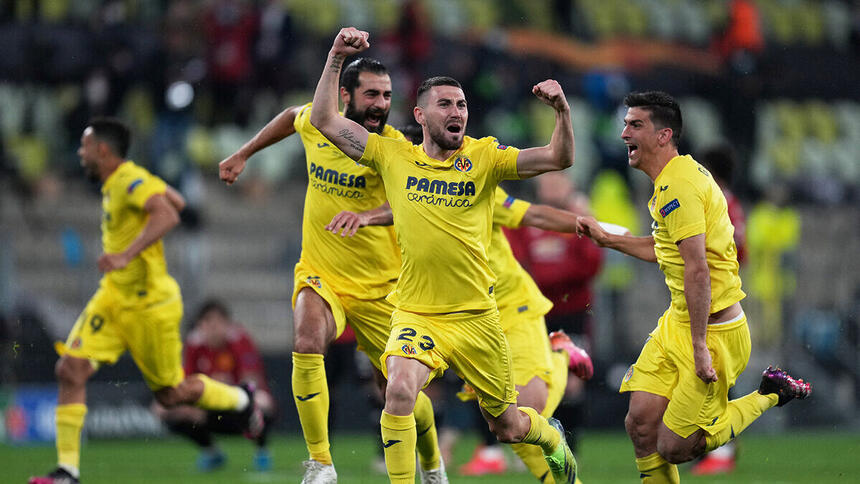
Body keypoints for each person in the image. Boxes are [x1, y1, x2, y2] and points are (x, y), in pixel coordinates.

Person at [310, 27, 577, 484]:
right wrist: (335, 56)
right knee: (397, 390)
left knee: (508, 425)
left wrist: (562, 112)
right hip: (417, 311)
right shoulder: (392, 155)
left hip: (476, 315)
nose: (458, 113)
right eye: (446, 104)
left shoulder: (485, 157)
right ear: (420, 113)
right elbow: (325, 121)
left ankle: (551, 439)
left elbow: (558, 158)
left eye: (462, 105)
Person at [218, 57, 445, 483]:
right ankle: (321, 464)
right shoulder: (318, 127)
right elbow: (291, 117)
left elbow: (413, 202)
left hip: (383, 288)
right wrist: (244, 152)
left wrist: (368, 216)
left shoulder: (393, 146)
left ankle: (432, 464)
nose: (381, 104)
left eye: (387, 95)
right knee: (306, 338)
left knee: (400, 394)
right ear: (345, 96)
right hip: (323, 274)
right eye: (371, 94)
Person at [575, 91, 811, 484]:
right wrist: (609, 239)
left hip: (714, 332)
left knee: (675, 447)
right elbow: (667, 249)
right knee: (640, 425)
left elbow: (698, 270)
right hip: (680, 322)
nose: (624, 134)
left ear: (664, 135)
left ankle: (770, 393)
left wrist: (700, 346)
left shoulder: (679, 187)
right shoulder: (673, 179)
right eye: (624, 124)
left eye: (635, 125)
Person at [30, 118, 265, 484]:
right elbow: (177, 199)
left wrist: (126, 254)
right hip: (113, 297)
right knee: (70, 369)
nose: (80, 154)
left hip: (149, 305)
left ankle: (243, 401)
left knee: (173, 396)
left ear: (103, 150)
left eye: (84, 147)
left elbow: (170, 213)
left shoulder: (126, 180)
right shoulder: (121, 181)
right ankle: (67, 472)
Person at [328, 184, 596, 483]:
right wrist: (367, 218)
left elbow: (532, 213)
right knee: (505, 427)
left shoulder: (476, 180)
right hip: (447, 314)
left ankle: (560, 354)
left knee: (527, 410)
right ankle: (434, 464)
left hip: (508, 306)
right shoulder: (404, 174)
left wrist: (585, 224)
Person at [153, 299, 276, 472]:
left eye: (218, 322)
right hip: (209, 405)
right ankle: (211, 452)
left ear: (227, 324)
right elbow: (185, 381)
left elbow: (251, 380)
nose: (213, 328)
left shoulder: (239, 340)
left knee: (262, 402)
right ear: (200, 325)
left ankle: (262, 450)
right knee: (164, 406)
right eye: (207, 322)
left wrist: (226, 387)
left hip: (237, 403)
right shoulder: (194, 345)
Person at [690, 144, 748, 475]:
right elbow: (743, 251)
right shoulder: (732, 203)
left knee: (715, 374)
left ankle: (722, 448)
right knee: (709, 373)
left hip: (712, 298)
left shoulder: (715, 200)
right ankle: (714, 445)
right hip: (720, 293)